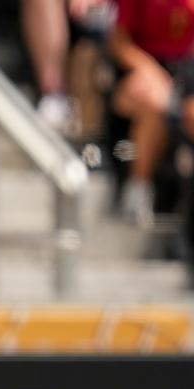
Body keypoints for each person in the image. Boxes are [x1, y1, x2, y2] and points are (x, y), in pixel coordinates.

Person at [109, 0, 194, 227]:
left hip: (186, 75)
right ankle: (138, 189)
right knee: (156, 103)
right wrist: (152, 70)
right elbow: (118, 42)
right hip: (140, 72)